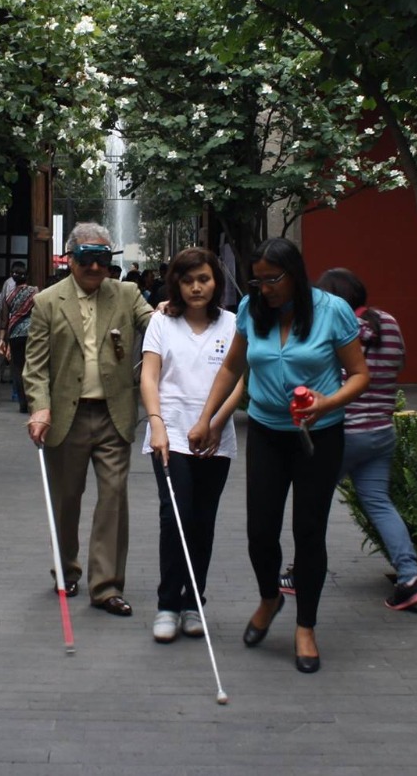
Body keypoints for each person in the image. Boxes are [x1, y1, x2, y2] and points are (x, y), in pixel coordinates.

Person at [190, 237, 368, 673]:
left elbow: (360, 374)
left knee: (309, 532)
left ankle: (305, 626)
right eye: (258, 279)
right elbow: (232, 366)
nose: (264, 288)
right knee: (259, 531)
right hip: (269, 433)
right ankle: (270, 598)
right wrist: (207, 418)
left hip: (319, 437)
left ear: (295, 274)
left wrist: (326, 403)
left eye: (273, 279)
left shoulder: (331, 312)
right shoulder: (253, 310)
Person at [24, 222, 155, 616]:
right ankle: (66, 570)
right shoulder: (47, 301)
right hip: (67, 415)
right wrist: (39, 408)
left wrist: (174, 310)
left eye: (102, 259)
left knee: (113, 498)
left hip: (114, 413)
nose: (95, 268)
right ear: (70, 260)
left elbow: (156, 326)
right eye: (86, 259)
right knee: (66, 501)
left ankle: (107, 586)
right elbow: (35, 367)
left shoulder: (128, 294)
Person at [140, 247, 245, 643]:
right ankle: (168, 603)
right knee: (175, 518)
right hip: (170, 434)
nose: (196, 287)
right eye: (188, 281)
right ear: (176, 285)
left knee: (202, 520)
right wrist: (157, 424)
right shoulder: (161, 323)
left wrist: (217, 423)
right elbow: (149, 377)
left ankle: (193, 603)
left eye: (204, 279)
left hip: (216, 436)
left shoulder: (234, 324)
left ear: (216, 281)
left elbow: (239, 381)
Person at [318, 268, 417, 611]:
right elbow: (402, 362)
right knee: (380, 504)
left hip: (345, 432)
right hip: (382, 432)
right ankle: (410, 577)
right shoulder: (390, 322)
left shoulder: (338, 329)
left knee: (312, 502)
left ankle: (301, 570)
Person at [0, 265, 39, 414]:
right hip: (33, 333)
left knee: (18, 369)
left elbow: (4, 320)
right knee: (33, 367)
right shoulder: (35, 292)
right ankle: (34, 401)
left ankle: (23, 403)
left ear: (13, 279)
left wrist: (2, 340)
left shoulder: (9, 297)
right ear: (27, 276)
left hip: (14, 334)